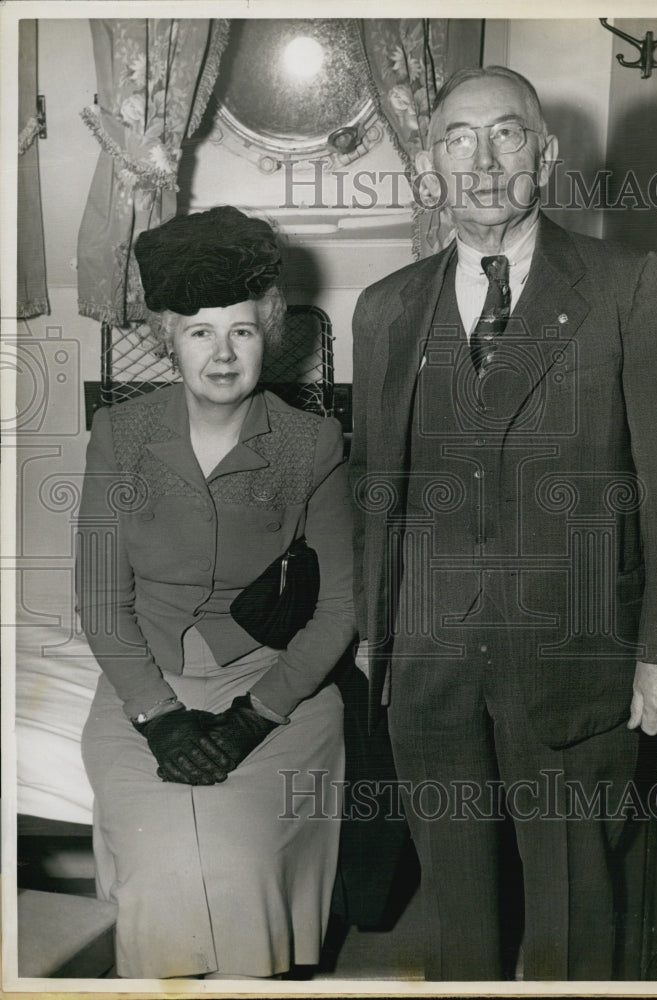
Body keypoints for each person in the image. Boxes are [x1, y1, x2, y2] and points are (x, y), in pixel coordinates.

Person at [349, 67, 657, 981]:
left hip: (574, 659)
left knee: (574, 917)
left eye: (505, 135)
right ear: (430, 161)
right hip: (428, 665)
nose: (481, 162)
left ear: (545, 155)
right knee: (457, 920)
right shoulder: (385, 307)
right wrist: (372, 634)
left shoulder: (625, 285)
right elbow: (373, 483)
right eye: (456, 139)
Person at [76, 206, 355, 979]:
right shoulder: (118, 436)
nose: (223, 352)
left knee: (241, 858)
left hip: (274, 691)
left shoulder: (312, 443)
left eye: (242, 329)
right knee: (164, 861)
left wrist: (251, 721)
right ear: (168, 339)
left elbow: (338, 610)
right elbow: (100, 601)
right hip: (146, 682)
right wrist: (158, 720)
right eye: (199, 331)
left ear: (269, 331)